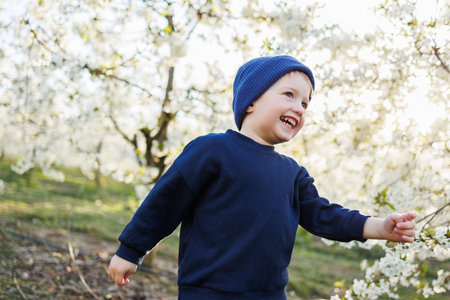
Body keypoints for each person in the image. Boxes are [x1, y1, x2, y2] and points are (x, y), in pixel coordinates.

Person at [108, 55, 416, 300]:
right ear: (252, 101)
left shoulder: (292, 173)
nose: (299, 107)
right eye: (289, 95)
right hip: (207, 292)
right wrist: (130, 250)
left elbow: (324, 216)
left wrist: (378, 227)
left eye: (305, 103)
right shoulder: (212, 150)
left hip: (269, 294)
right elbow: (164, 202)